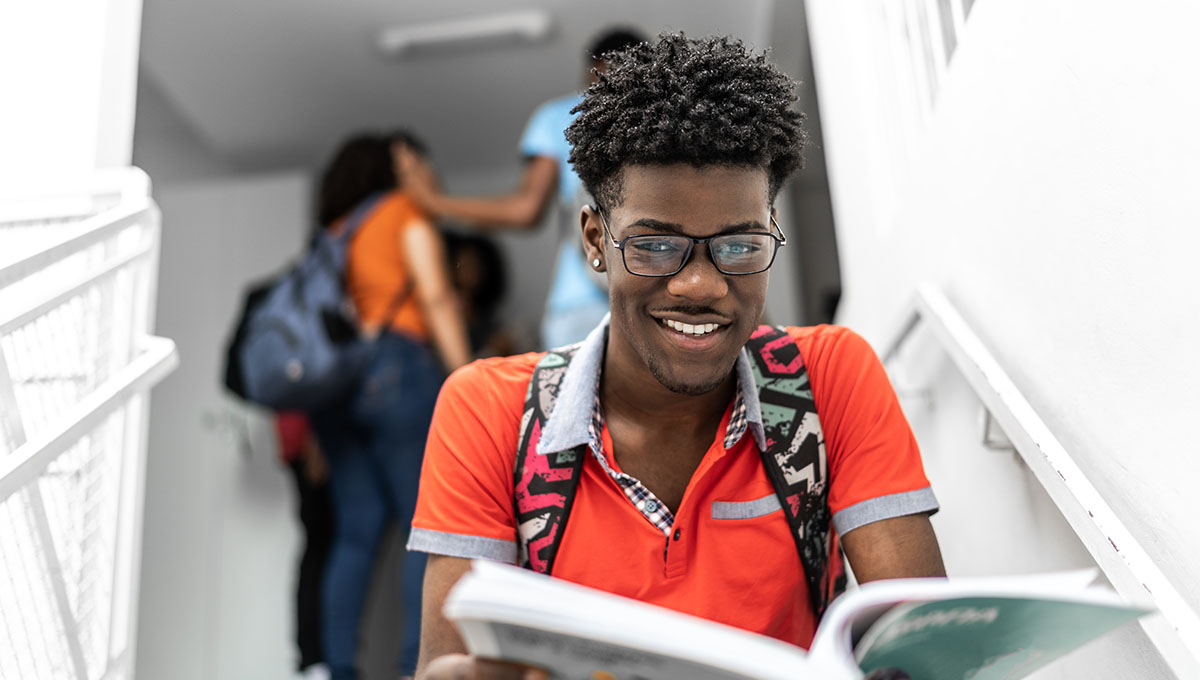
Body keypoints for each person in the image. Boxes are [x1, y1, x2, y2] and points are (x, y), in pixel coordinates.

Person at [406, 34, 947, 680]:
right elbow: (449, 663)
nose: (701, 286)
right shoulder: (489, 411)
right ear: (593, 241)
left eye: (740, 245)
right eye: (657, 247)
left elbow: (924, 651)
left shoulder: (827, 378)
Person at [308, 132, 472, 680]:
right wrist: (466, 376)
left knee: (355, 532)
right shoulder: (403, 212)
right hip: (398, 370)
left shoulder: (333, 234)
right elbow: (434, 295)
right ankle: (413, 669)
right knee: (421, 526)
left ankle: (335, 669)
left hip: (337, 389)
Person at [399, 28, 646, 350]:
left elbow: (526, 210)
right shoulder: (664, 119)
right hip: (644, 294)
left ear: (589, 73)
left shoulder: (563, 115)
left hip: (580, 304)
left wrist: (435, 203)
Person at [274, 411, 333, 680]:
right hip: (311, 432)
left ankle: (314, 660)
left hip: (302, 431)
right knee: (322, 545)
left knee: (320, 545)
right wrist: (316, 439)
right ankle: (315, 661)